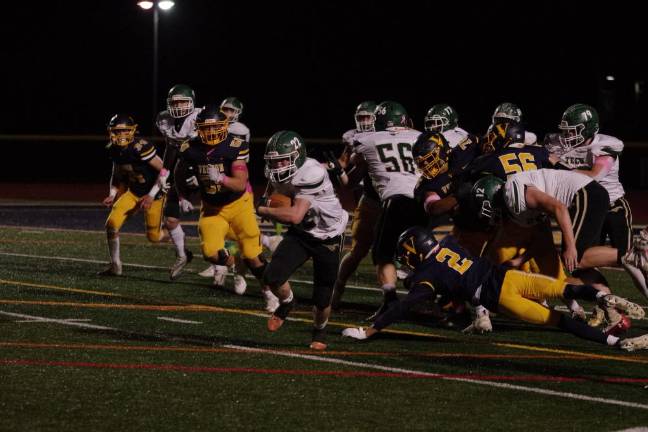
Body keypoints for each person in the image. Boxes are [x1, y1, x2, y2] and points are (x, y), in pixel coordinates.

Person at [342, 226, 648, 352]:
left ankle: (614, 343)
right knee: (563, 290)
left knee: (559, 321)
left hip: (500, 298)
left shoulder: (427, 275)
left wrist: (371, 330)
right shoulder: (447, 243)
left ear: (416, 252)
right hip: (508, 277)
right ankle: (600, 296)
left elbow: (402, 307)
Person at [257, 130, 348, 350]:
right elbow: (272, 184)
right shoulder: (275, 171)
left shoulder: (310, 173)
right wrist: (267, 199)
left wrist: (262, 209)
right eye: (274, 161)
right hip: (303, 231)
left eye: (282, 161)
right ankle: (288, 303)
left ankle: (319, 332)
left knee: (322, 297)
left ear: (297, 156)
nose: (277, 166)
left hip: (328, 235)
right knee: (272, 276)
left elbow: (295, 215)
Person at [546, 104, 647, 301]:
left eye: (573, 131)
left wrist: (558, 165)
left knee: (633, 263)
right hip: (585, 209)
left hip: (613, 205)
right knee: (578, 262)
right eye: (565, 130)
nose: (567, 135)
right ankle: (608, 303)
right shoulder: (555, 143)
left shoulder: (604, 146)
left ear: (589, 129)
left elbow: (594, 176)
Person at [174, 104, 272, 307]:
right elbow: (179, 173)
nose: (210, 132)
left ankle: (269, 292)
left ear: (225, 126)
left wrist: (220, 178)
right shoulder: (189, 148)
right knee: (210, 253)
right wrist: (183, 195)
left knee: (253, 255)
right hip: (211, 208)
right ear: (198, 128)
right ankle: (234, 264)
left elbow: (240, 183)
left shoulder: (234, 145)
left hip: (238, 205)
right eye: (206, 128)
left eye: (215, 127)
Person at [199, 97, 282, 297]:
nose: (227, 113)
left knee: (243, 234)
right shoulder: (212, 129)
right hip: (218, 184)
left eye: (231, 111)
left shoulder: (238, 131)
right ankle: (231, 262)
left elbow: (236, 165)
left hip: (237, 181)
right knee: (226, 232)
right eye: (225, 109)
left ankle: (239, 270)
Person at [351, 101, 427, 320]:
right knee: (422, 253)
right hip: (422, 200)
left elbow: (355, 167)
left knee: (382, 254)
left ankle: (390, 300)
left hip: (395, 201)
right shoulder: (419, 136)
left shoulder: (366, 140)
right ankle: (438, 300)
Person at [328, 101, 382, 310]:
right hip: (369, 194)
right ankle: (337, 288)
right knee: (359, 249)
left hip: (391, 199)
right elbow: (344, 164)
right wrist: (332, 167)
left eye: (368, 117)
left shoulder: (385, 136)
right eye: (361, 117)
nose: (365, 122)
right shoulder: (354, 138)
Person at [99, 114, 166, 276]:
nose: (121, 135)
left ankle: (177, 239)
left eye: (124, 131)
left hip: (154, 195)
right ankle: (116, 265)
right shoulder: (113, 149)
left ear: (132, 131)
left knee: (154, 237)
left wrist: (151, 195)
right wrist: (112, 193)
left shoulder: (141, 147)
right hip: (134, 192)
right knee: (111, 224)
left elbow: (164, 171)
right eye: (117, 131)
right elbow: (116, 174)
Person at [153, 84, 200, 280]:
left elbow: (209, 150)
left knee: (215, 220)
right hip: (180, 172)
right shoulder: (164, 120)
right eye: (175, 102)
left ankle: (221, 266)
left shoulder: (200, 118)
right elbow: (171, 148)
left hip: (203, 170)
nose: (179, 106)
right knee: (170, 220)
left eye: (183, 101)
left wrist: (202, 172)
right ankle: (182, 255)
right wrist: (164, 172)